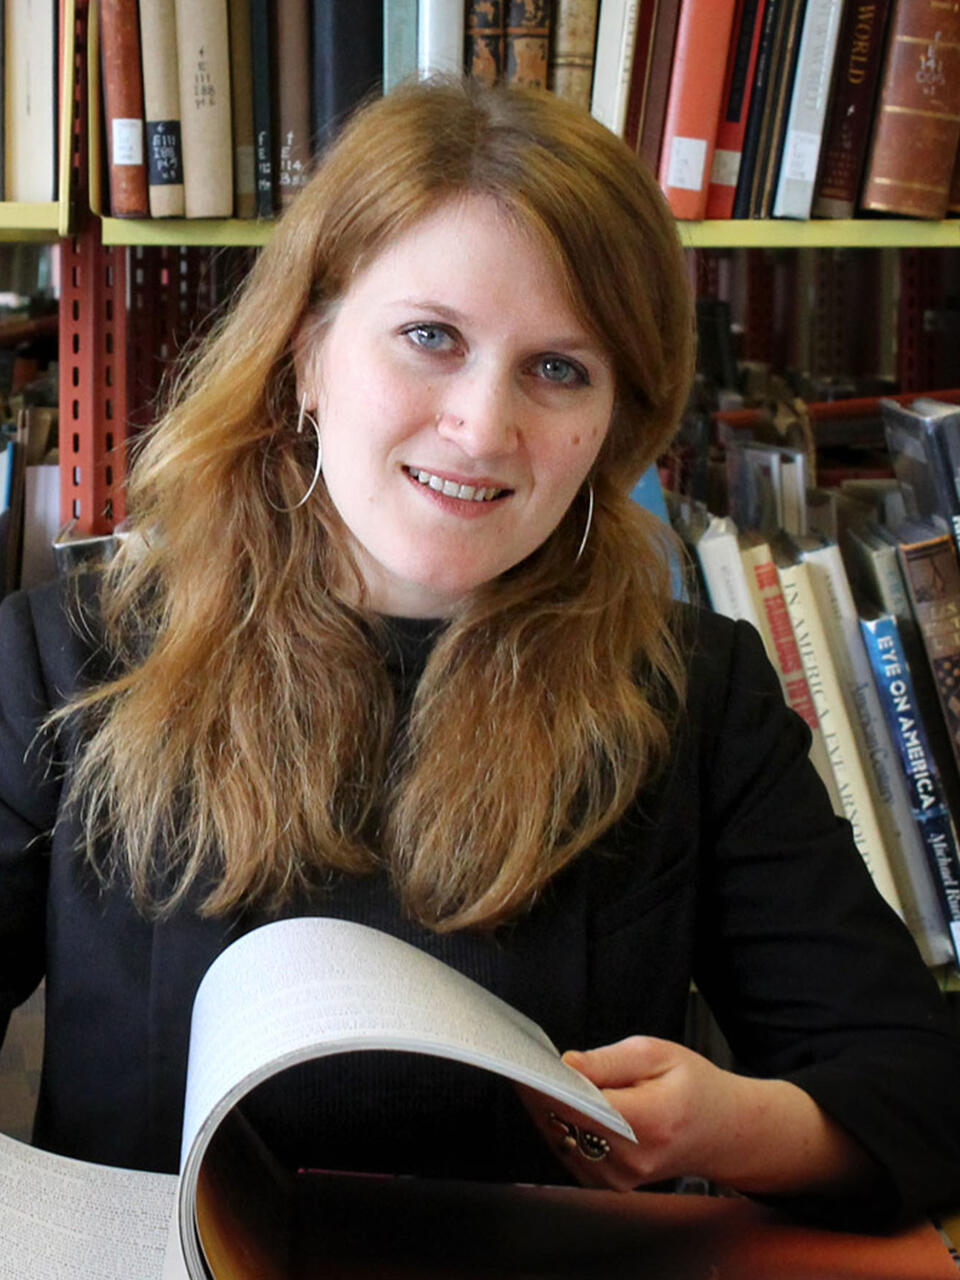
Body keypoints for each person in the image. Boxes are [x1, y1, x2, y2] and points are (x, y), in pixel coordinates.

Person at [1, 76, 959, 1232]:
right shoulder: (70, 656)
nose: (483, 425)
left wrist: (723, 1125)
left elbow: (919, 1090)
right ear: (306, 350)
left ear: (614, 419)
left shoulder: (693, 695)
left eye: (560, 368)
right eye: (430, 336)